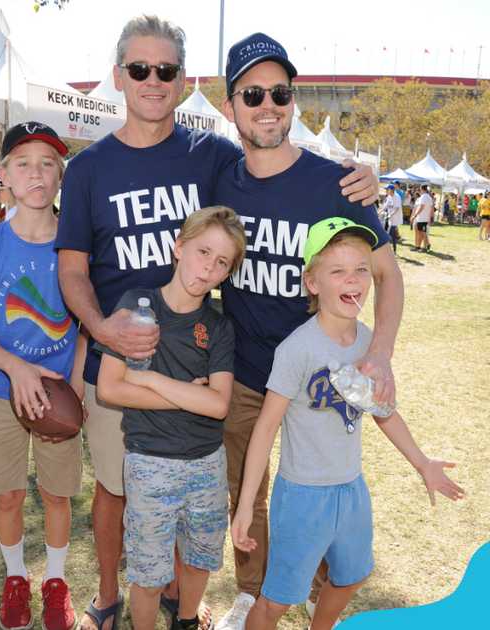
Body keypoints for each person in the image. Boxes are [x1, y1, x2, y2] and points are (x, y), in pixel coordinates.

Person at [54, 17, 378, 630]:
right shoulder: (90, 167)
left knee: (204, 486)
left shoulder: (215, 156)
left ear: (183, 82)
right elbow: (71, 270)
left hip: (208, 360)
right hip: (122, 357)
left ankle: (189, 597)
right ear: (119, 74)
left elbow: (276, 162)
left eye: (167, 70)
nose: (154, 81)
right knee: (119, 488)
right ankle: (108, 594)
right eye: (141, 69)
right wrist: (100, 330)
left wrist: (360, 180)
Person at [213, 33, 402, 630]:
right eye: (252, 94)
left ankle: (320, 592)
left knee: (320, 488)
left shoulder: (336, 183)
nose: (267, 105)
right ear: (231, 106)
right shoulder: (218, 180)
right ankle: (253, 591)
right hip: (247, 374)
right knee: (252, 491)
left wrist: (382, 354)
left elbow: (388, 275)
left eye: (280, 92)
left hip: (325, 377)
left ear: (293, 100)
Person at [230, 218, 464, 630]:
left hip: (351, 488)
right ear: (312, 282)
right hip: (303, 495)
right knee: (277, 599)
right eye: (337, 271)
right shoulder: (296, 349)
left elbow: (383, 411)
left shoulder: (367, 342)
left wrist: (422, 463)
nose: (351, 279)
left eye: (360, 269)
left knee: (353, 575)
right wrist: (247, 504)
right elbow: (265, 428)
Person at [95, 206, 246, 630]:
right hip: (149, 462)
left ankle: (186, 620)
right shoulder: (136, 306)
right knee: (147, 573)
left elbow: (218, 405)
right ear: (178, 247)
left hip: (206, 463)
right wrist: (187, 393)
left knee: (199, 559)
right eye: (203, 252)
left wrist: (151, 380)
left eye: (222, 263)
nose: (209, 268)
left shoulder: (217, 327)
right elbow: (110, 388)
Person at [0, 122, 86, 630]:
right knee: (8, 493)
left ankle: (55, 582)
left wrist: (74, 383)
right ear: (4, 176)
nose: (36, 173)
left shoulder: (77, 248)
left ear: (60, 177)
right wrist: (15, 369)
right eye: (23, 163)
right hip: (0, 389)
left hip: (57, 393)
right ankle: (16, 578)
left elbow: (82, 326)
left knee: (57, 494)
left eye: (48, 164)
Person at [379, 184, 402, 252]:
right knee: (391, 234)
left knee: (391, 233)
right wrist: (378, 212)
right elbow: (385, 206)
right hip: (389, 218)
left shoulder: (397, 197)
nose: (386, 191)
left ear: (391, 190)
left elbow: (397, 209)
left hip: (395, 218)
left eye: (387, 189)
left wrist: (390, 215)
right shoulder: (389, 196)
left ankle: (391, 250)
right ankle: (392, 250)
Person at [411, 184, 433, 252]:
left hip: (422, 218)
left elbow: (421, 207)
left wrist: (415, 215)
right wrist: (431, 217)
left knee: (422, 233)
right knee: (422, 233)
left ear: (422, 189)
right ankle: (419, 246)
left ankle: (426, 247)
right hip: (425, 218)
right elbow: (432, 208)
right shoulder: (429, 197)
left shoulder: (423, 197)